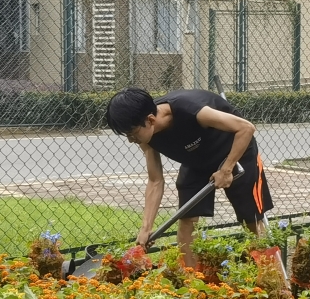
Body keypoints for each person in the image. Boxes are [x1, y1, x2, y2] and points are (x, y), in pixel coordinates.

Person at [105, 88, 271, 266]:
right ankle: (192, 281)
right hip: (196, 161)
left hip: (236, 153)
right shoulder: (147, 138)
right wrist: (146, 227)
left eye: (132, 133)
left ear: (150, 120)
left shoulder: (191, 109)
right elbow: (155, 180)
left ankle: (269, 274)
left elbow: (246, 128)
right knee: (187, 219)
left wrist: (226, 169)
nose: (131, 140)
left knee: (251, 218)